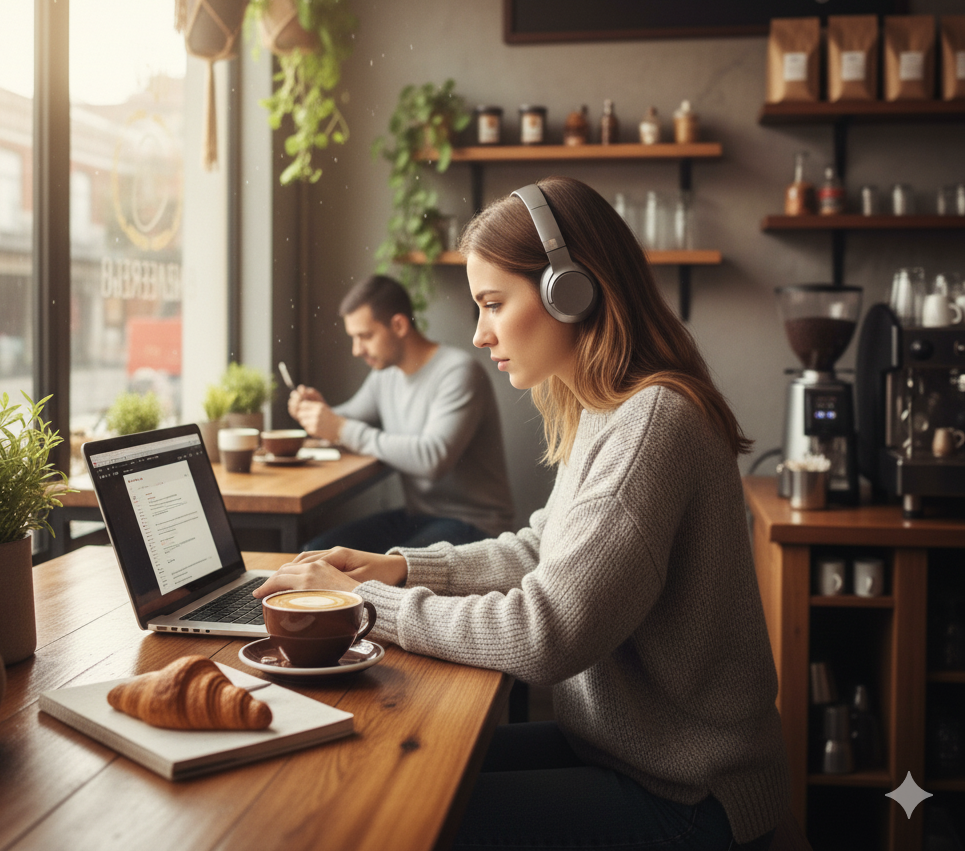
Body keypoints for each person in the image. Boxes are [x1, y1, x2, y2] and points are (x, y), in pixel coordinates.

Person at [256, 178, 788, 850]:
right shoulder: (609, 408)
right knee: (382, 765)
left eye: (493, 304)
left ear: (574, 290)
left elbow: (548, 632)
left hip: (688, 795)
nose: (479, 334)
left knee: (401, 817)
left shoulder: (656, 421)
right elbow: (542, 550)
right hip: (627, 755)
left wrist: (364, 605)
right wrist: (395, 569)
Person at [289, 274, 513, 552]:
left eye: (365, 336)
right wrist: (318, 412)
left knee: (387, 574)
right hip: (418, 517)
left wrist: (339, 428)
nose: (357, 350)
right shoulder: (386, 375)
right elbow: (349, 418)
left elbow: (433, 459)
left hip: (475, 525)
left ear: (398, 325)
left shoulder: (459, 372)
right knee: (314, 553)